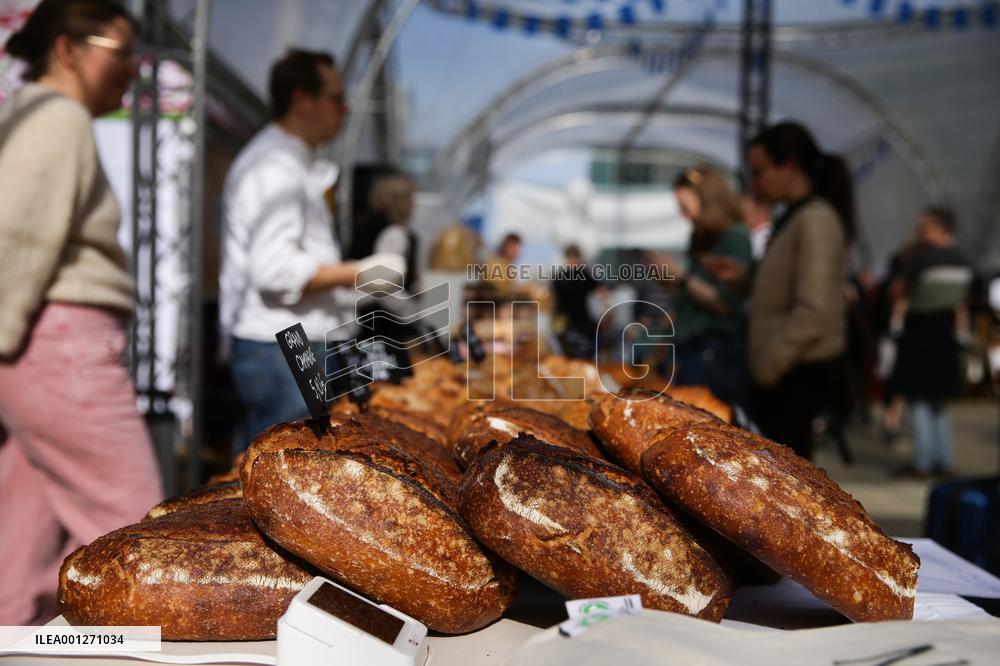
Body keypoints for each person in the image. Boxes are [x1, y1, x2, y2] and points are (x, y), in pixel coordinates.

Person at [0, 0, 163, 625]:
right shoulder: (56, 117)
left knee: (25, 550)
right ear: (68, 49)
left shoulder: (35, 115)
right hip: (59, 348)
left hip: (40, 350)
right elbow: (16, 235)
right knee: (133, 537)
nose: (133, 69)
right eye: (119, 53)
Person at [219, 49, 400, 453]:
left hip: (293, 346)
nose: (346, 109)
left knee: (291, 470)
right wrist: (360, 271)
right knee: (277, 473)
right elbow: (275, 271)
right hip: (282, 350)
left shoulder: (290, 162)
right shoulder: (274, 167)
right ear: (301, 100)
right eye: (336, 98)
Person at [746, 121, 855, 460]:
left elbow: (814, 310)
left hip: (794, 379)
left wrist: (768, 366)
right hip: (786, 375)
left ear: (789, 165)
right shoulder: (796, 217)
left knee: (788, 482)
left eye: (760, 170)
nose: (756, 182)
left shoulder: (816, 219)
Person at [651, 166, 752, 405]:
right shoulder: (708, 240)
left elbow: (727, 303)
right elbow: (699, 300)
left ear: (705, 197)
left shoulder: (734, 237)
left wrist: (681, 277)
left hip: (713, 356)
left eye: (685, 207)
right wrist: (673, 284)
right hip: (699, 355)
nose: (684, 215)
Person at [886, 207, 973, 477]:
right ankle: (943, 459)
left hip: (919, 333)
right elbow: (962, 303)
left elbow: (899, 292)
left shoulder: (921, 260)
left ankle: (922, 461)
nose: (919, 233)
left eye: (923, 228)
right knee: (938, 402)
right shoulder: (963, 260)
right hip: (946, 335)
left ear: (938, 228)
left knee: (917, 399)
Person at [552, 244, 600, 358]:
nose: (573, 261)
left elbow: (598, 294)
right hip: (565, 323)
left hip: (583, 323)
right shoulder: (559, 277)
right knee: (567, 355)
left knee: (585, 354)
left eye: (575, 258)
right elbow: (554, 300)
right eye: (570, 258)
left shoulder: (585, 276)